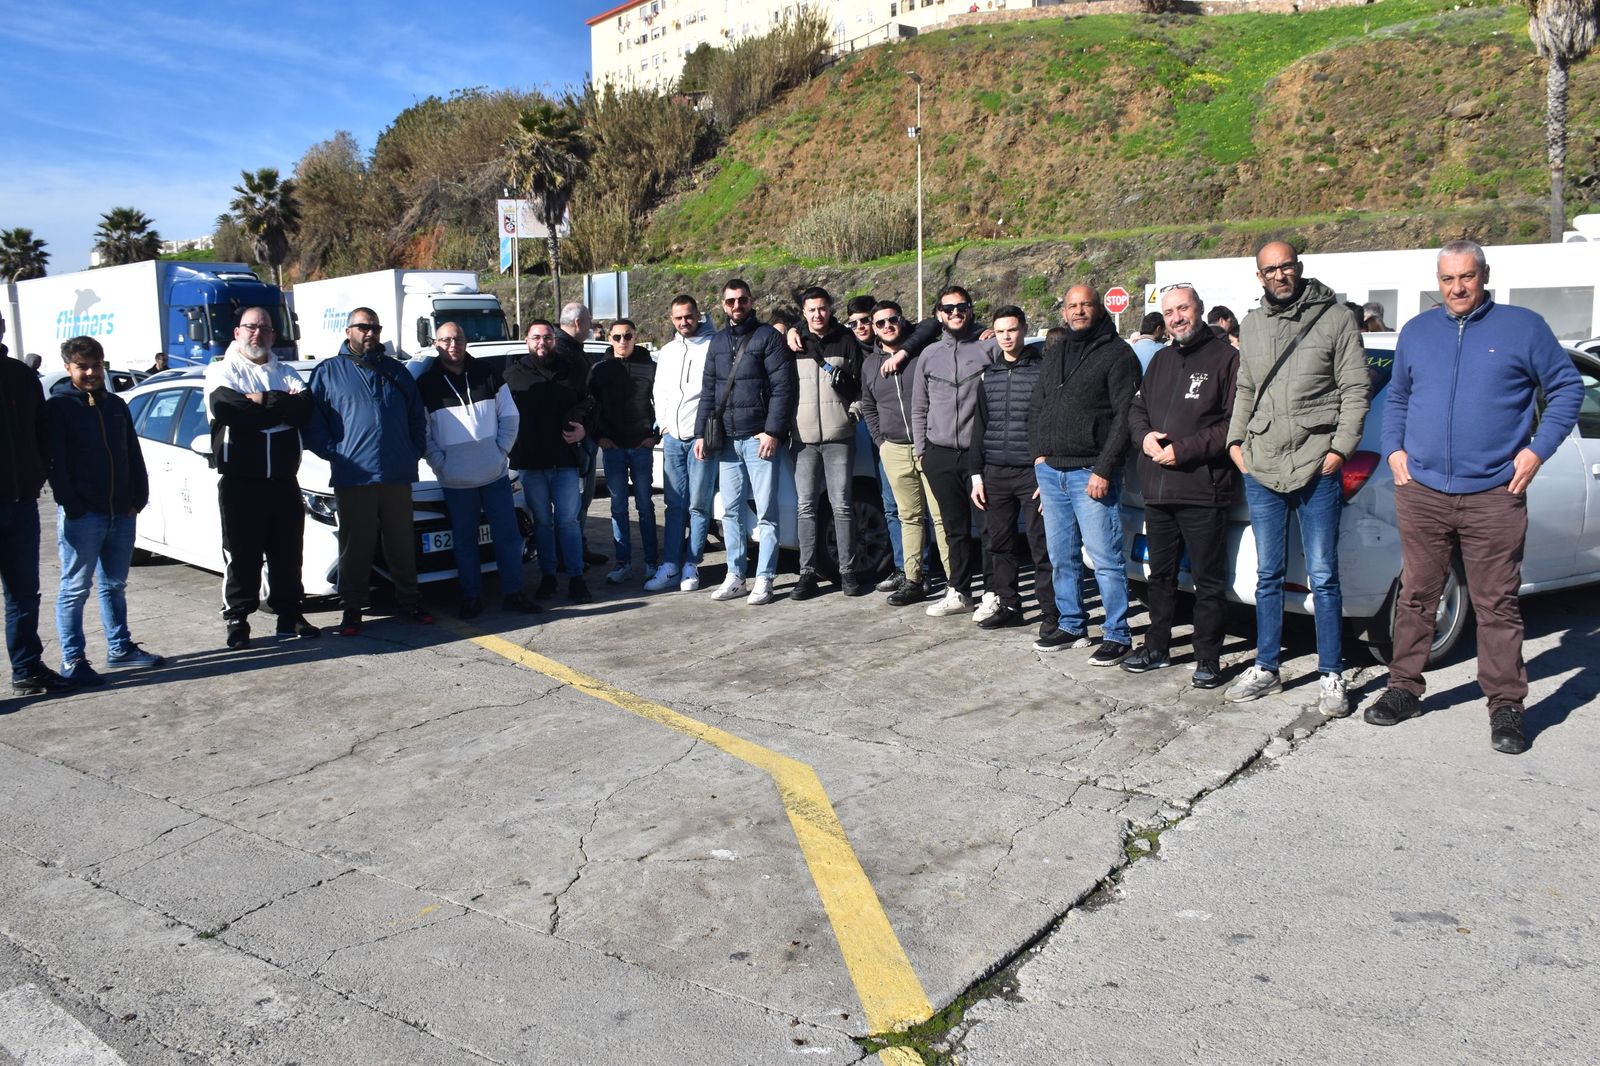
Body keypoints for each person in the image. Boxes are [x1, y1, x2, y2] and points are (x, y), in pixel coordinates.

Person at [1365, 240, 1583, 755]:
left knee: (1496, 604)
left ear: (1484, 275)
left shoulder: (1523, 327)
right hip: (1422, 492)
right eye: (1447, 279)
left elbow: (1568, 389)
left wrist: (1537, 451)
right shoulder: (1418, 332)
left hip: (1494, 494)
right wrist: (1394, 449)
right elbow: (1398, 397)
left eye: (1466, 277)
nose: (1457, 288)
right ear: (1437, 282)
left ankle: (1506, 705)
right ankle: (1403, 688)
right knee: (1417, 595)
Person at [1224, 241, 1370, 713]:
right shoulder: (1252, 324)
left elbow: (1356, 389)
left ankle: (1331, 674)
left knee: (1323, 575)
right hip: (1262, 464)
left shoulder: (1336, 318)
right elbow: (1246, 388)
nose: (1279, 275)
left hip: (1316, 464)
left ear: (1299, 267)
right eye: (1270, 270)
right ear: (1260, 276)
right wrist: (1235, 443)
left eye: (1286, 266)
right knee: (1267, 574)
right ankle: (1267, 667)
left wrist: (1339, 450)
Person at [1122, 285, 1238, 687]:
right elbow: (1137, 408)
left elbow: (1232, 424)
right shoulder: (1161, 359)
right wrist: (1144, 438)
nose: (1176, 317)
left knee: (1208, 581)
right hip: (1158, 487)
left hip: (1203, 487)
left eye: (1183, 308)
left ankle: (1208, 658)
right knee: (1159, 576)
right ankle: (1157, 647)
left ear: (1199, 309)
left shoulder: (1226, 359)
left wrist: (1184, 451)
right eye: (1169, 312)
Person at [1028, 284, 1140, 664]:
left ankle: (1117, 633)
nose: (1078, 311)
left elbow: (1125, 417)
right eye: (1072, 306)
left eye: (1085, 305)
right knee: (1061, 556)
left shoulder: (1118, 354)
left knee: (1105, 558)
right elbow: (1038, 406)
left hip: (1091, 472)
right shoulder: (1056, 353)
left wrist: (1105, 468)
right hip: (1052, 472)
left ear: (1099, 309)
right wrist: (1038, 457)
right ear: (1064, 312)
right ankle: (1072, 623)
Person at [305, 307, 433, 636]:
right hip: (355, 475)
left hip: (396, 473)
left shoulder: (396, 370)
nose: (370, 333)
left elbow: (416, 414)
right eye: (363, 327)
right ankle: (352, 608)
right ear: (348, 331)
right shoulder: (328, 372)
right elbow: (313, 423)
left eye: (375, 327)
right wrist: (335, 453)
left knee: (401, 543)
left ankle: (409, 601)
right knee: (355, 546)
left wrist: (414, 450)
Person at [46, 336, 162, 685]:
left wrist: (138, 498)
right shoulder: (58, 408)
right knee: (74, 589)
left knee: (114, 584)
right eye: (82, 367)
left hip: (121, 512)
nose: (91, 372)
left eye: (96, 365)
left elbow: (132, 452)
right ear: (68, 368)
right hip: (84, 516)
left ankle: (120, 647)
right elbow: (55, 463)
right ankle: (73, 659)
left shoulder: (115, 405)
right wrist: (73, 505)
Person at [204, 307, 320, 650]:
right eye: (251, 327)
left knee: (288, 553)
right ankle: (238, 619)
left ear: (273, 334)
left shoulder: (286, 372)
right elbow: (230, 410)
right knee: (242, 554)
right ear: (237, 332)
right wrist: (280, 408)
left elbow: (304, 409)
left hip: (283, 481)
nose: (258, 334)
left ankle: (290, 616)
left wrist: (263, 400)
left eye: (265, 328)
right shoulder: (222, 371)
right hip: (241, 482)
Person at [416, 322, 539, 620]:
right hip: (456, 480)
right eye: (446, 340)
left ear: (466, 341)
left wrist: (500, 452)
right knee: (465, 542)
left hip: (494, 474)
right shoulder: (426, 383)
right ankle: (472, 597)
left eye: (458, 339)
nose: (453, 345)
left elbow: (510, 416)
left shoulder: (488, 373)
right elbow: (423, 432)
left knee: (508, 537)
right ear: (436, 344)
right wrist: (441, 464)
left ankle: (514, 594)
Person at [695, 278, 795, 606]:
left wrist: (773, 431)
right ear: (723, 305)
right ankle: (736, 576)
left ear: (751, 302)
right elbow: (709, 390)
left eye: (742, 300)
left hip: (757, 439)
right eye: (730, 301)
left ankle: (765, 578)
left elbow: (783, 387)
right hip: (726, 441)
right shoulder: (717, 341)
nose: (737, 306)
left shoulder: (768, 337)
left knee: (766, 512)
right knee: (731, 512)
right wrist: (702, 433)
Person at [911, 285, 997, 617]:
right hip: (941, 454)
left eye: (962, 306)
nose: (955, 312)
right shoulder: (929, 355)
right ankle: (959, 591)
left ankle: (992, 592)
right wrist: (923, 451)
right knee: (954, 529)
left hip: (981, 455)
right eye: (948, 308)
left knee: (989, 528)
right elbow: (919, 406)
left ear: (971, 309)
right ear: (939, 315)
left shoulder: (989, 347)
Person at [969, 306, 1055, 633]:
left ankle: (1051, 614)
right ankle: (1009, 606)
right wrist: (976, 475)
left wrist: (1048, 472)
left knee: (1040, 546)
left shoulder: (1042, 372)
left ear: (1024, 329)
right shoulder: (988, 375)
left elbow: (1051, 424)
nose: (1006, 337)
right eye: (1000, 331)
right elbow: (979, 427)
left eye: (1012, 330)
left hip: (1032, 473)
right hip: (995, 472)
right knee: (1000, 544)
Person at [1, 319, 70, 696]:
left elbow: (42, 432)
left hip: (22, 504)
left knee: (24, 595)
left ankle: (26, 669)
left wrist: (37, 474)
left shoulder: (20, 376)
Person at [505, 320, 594, 604]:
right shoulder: (512, 376)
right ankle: (549, 577)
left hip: (565, 463)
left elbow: (591, 405)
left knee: (568, 522)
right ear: (526, 341)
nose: (541, 342)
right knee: (542, 524)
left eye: (547, 337)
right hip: (531, 465)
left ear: (554, 339)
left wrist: (584, 429)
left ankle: (577, 577)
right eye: (536, 337)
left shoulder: (572, 371)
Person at [860, 300, 941, 607]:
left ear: (902, 320)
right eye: (880, 323)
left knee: (940, 516)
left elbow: (935, 322)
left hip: (929, 445)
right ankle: (914, 579)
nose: (887, 326)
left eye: (892, 319)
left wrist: (904, 352)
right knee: (909, 517)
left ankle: (956, 583)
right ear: (873, 328)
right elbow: (869, 405)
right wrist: (880, 442)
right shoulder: (870, 364)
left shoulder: (922, 351)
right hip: (893, 448)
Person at [791, 287, 867, 598]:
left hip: (840, 437)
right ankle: (807, 574)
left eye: (822, 308)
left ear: (830, 308)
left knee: (843, 506)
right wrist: (790, 330)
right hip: (803, 439)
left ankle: (847, 572)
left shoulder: (846, 340)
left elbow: (862, 385)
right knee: (806, 507)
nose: (817, 314)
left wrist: (854, 412)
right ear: (804, 312)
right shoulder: (795, 342)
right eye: (811, 310)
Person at [649, 295, 716, 592]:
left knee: (698, 505)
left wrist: (705, 431)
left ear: (697, 314)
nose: (684, 322)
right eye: (678, 318)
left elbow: (714, 392)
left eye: (688, 316)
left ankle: (692, 563)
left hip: (701, 438)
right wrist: (664, 425)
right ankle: (671, 565)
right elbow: (660, 390)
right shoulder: (667, 351)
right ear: (671, 319)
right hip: (673, 439)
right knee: (674, 505)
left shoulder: (712, 345)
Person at [589, 318, 659, 586]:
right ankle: (623, 564)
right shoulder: (600, 369)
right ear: (609, 339)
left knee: (645, 507)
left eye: (627, 336)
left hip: (641, 447)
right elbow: (590, 405)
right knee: (618, 507)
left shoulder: (649, 367)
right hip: (613, 449)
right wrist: (598, 437)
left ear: (635, 337)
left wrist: (654, 436)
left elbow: (662, 402)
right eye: (617, 337)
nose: (622, 342)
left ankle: (652, 563)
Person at [557, 301, 607, 570]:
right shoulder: (563, 352)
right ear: (578, 323)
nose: (591, 326)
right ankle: (570, 555)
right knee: (575, 504)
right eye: (589, 321)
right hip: (575, 440)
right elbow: (572, 398)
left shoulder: (571, 349)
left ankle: (578, 548)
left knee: (581, 502)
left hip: (582, 437)